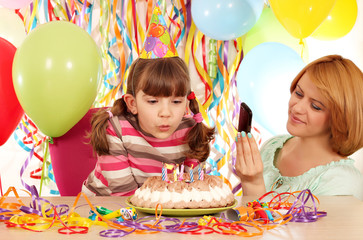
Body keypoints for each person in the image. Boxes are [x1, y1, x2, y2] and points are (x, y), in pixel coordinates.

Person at [235, 54, 363, 200]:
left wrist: (253, 183)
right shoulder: (273, 147)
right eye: (298, 93)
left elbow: (276, 223)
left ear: (341, 118)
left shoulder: (343, 183)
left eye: (315, 106)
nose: (297, 108)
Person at [82, 57, 215, 196]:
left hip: (158, 207)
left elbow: (193, 188)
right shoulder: (116, 129)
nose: (165, 113)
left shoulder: (190, 131)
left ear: (186, 103)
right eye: (153, 101)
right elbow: (123, 194)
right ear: (133, 103)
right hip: (104, 206)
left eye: (176, 101)